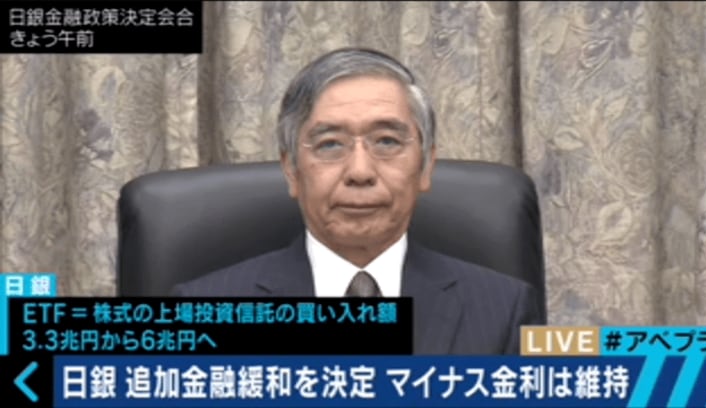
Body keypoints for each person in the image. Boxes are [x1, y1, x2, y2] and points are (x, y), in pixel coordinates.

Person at [171, 47, 544, 354]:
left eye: (387, 142)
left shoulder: (504, 309)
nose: (360, 171)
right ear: (291, 170)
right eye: (330, 144)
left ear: (426, 165)